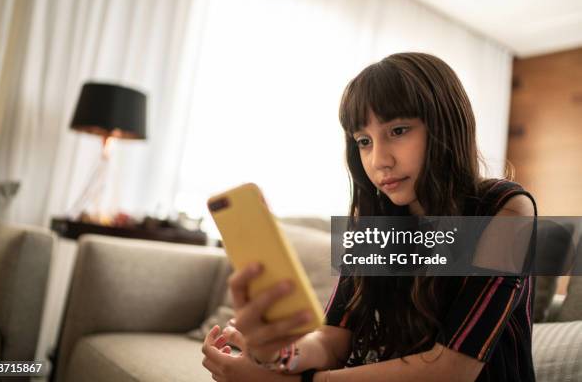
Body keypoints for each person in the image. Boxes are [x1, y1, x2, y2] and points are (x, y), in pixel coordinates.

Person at [201, 52, 537, 381]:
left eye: (399, 130)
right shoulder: (376, 224)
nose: (378, 160)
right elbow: (331, 340)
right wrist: (279, 355)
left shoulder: (506, 208)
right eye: (363, 140)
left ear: (446, 125)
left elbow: (452, 369)